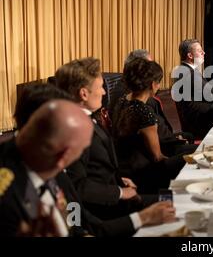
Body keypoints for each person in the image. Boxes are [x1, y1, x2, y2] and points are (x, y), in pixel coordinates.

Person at [0, 100, 176, 237]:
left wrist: (143, 218)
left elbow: (79, 223)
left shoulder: (57, 175)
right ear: (63, 156)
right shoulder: (10, 197)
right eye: (78, 153)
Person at [55, 58, 159, 221]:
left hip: (114, 193)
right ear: (84, 93)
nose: (104, 92)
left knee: (177, 200)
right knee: (177, 204)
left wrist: (118, 181)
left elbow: (96, 168)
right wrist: (119, 192)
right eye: (100, 87)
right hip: (104, 211)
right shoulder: (74, 130)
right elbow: (77, 185)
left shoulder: (86, 119)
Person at [112, 59, 188, 194]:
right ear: (153, 85)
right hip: (143, 171)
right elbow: (157, 157)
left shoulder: (122, 101)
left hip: (122, 167)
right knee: (194, 157)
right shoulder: (144, 111)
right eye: (158, 83)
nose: (159, 86)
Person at [173, 39, 213, 139]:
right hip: (200, 123)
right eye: (199, 51)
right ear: (190, 56)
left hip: (201, 117)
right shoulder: (188, 73)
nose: (204, 53)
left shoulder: (187, 70)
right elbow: (210, 93)